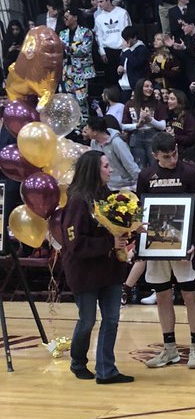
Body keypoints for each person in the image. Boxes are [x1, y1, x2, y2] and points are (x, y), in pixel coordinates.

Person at [59, 149, 134, 384]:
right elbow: (74, 242)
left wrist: (131, 228)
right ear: (93, 169)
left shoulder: (108, 196)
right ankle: (78, 362)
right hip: (85, 271)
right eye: (105, 166)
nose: (110, 169)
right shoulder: (78, 201)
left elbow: (118, 225)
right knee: (88, 320)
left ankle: (106, 370)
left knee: (112, 319)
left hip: (110, 269)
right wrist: (108, 242)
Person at [137, 133, 195, 370]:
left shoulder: (190, 173)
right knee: (163, 296)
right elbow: (141, 211)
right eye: (166, 157)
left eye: (175, 153)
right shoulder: (146, 176)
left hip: (183, 247)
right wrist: (142, 243)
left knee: (190, 295)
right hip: (157, 247)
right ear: (155, 155)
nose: (172, 159)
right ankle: (170, 350)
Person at [84, 115, 140, 190]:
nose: (85, 131)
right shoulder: (93, 142)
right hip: (105, 185)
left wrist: (140, 184)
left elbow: (130, 165)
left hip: (123, 186)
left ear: (95, 132)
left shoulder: (117, 143)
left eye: (88, 129)